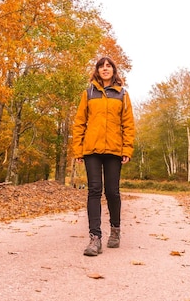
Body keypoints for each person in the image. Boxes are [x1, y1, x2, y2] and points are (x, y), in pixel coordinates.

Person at [72, 57, 135, 256]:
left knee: (113, 192)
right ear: (97, 70)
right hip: (91, 149)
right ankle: (95, 238)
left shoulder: (122, 94)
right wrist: (78, 149)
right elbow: (79, 122)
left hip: (115, 149)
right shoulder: (88, 93)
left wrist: (127, 149)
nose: (105, 69)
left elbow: (128, 124)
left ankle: (115, 231)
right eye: (102, 66)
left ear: (114, 71)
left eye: (109, 66)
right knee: (94, 190)